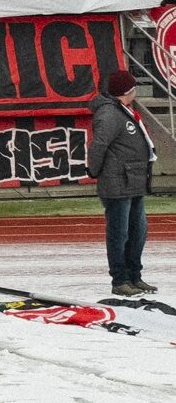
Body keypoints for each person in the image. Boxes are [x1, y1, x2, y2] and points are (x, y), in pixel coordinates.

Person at [87, 70, 158, 297]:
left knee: (138, 232)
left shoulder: (122, 110)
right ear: (128, 90)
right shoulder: (109, 113)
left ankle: (134, 276)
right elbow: (99, 145)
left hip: (132, 181)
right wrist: (94, 170)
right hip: (118, 183)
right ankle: (120, 280)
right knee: (120, 234)